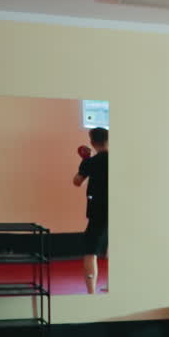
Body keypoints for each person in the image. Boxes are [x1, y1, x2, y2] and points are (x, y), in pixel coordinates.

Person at [72, 126, 108, 295]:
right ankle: (115, 286)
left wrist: (85, 160)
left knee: (90, 251)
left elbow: (77, 181)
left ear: (92, 142)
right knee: (117, 247)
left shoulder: (91, 162)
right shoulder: (119, 159)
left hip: (98, 210)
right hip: (120, 209)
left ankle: (91, 292)